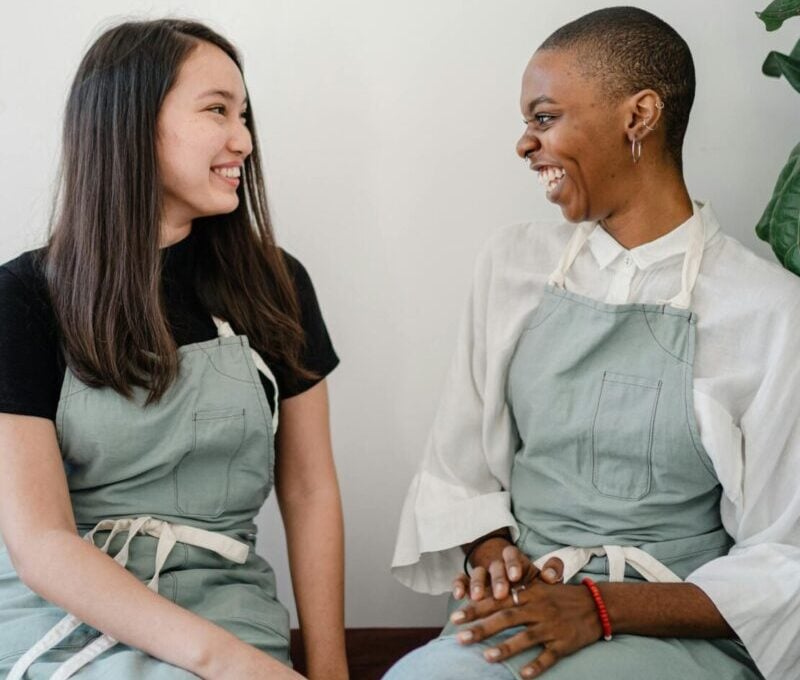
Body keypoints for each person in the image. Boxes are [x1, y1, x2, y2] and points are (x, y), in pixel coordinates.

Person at [386, 7, 800, 680]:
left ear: (638, 117)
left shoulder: (767, 310)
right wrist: (495, 559)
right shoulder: (511, 265)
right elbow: (460, 472)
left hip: (680, 637)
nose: (525, 145)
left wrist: (600, 608)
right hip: (528, 615)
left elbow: (787, 559)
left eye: (544, 118)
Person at [0, 19, 348, 680]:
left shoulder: (276, 286)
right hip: (62, 618)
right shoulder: (21, 298)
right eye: (217, 110)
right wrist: (221, 664)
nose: (243, 140)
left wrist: (328, 670)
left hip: (230, 609)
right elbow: (41, 543)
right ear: (130, 122)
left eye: (244, 115)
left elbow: (308, 489)